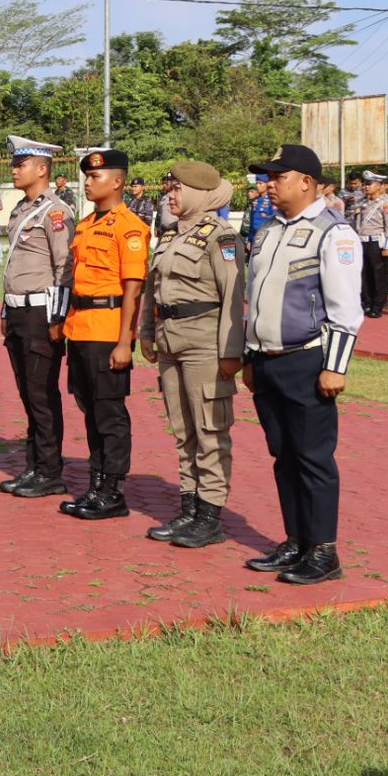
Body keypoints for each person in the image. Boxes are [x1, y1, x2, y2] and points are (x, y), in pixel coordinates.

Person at [242, 144, 363, 584]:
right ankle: (296, 540)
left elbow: (346, 309)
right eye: (268, 177)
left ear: (306, 182)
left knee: (313, 459)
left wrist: (336, 367)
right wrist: (250, 355)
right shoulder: (270, 229)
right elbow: (254, 297)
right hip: (267, 361)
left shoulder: (334, 233)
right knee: (284, 455)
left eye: (278, 177)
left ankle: (324, 551)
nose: (269, 184)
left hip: (307, 361)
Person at [138, 161, 245, 548]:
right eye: (169, 188)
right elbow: (153, 288)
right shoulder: (170, 235)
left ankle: (210, 516)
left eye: (177, 189)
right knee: (183, 431)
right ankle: (189, 508)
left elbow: (233, 295)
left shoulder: (222, 236)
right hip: (169, 340)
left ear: (199, 193)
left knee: (209, 430)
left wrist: (232, 352)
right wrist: (146, 332)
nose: (170, 195)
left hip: (205, 343)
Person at [60, 149, 150, 521]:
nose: (88, 182)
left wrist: (125, 340)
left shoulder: (130, 227)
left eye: (95, 177)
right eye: (87, 176)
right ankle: (96, 485)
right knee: (90, 410)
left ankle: (112, 491)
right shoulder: (85, 225)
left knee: (110, 413)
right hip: (80, 327)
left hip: (107, 330)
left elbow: (133, 288)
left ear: (117, 182)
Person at [0, 136, 73, 499]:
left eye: (21, 165)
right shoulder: (20, 209)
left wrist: (58, 319)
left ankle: (50, 471)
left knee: (41, 394)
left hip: (41, 312)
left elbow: (64, 268)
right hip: (18, 310)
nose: (14, 170)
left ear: (42, 169)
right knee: (28, 393)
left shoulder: (55, 212)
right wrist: (5, 310)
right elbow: (14, 266)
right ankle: (35, 465)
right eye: (15, 164)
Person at [354, 170, 388, 318]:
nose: (366, 187)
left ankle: (377, 305)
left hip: (377, 243)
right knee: (365, 274)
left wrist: (387, 246)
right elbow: (358, 224)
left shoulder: (386, 203)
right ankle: (367, 302)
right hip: (363, 241)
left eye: (369, 184)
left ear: (379, 186)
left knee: (378, 275)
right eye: (365, 184)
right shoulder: (364, 203)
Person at [240, 177, 276, 252]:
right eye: (257, 183)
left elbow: (275, 221)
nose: (257, 185)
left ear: (267, 184)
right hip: (254, 238)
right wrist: (249, 240)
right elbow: (252, 223)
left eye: (260, 183)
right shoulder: (255, 201)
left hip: (266, 238)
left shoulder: (272, 200)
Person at [155, 176, 181, 240]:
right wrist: (156, 227)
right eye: (163, 183)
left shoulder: (179, 196)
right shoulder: (162, 197)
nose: (164, 185)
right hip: (162, 230)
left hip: (174, 230)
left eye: (167, 183)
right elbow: (159, 214)